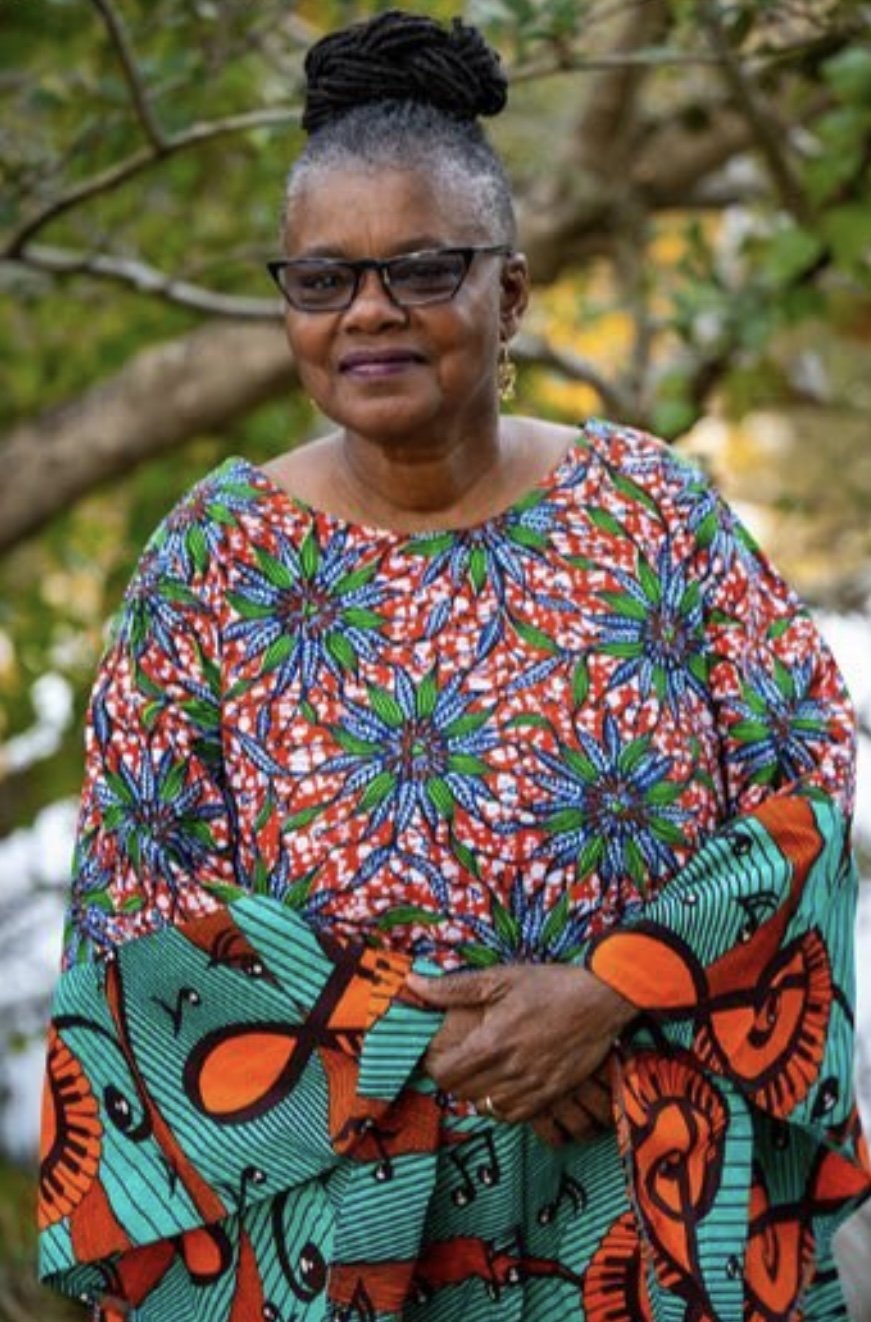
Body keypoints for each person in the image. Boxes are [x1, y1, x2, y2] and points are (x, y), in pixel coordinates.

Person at [38, 10, 869, 1320]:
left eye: (422, 269)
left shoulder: (648, 510)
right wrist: (455, 1041)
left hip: (643, 1191)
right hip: (347, 1229)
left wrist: (611, 994)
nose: (369, 311)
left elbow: (807, 788)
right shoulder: (213, 558)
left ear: (513, 290)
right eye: (323, 280)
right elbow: (141, 905)